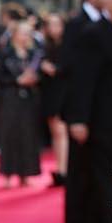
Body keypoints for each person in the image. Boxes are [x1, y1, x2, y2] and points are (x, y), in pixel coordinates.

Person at [60, 0, 112, 223]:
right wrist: (78, 119)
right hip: (97, 122)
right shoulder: (93, 34)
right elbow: (82, 81)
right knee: (99, 183)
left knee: (100, 183)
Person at [0, 20, 44, 186]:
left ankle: (26, 174)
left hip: (30, 98)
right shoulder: (5, 53)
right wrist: (16, 80)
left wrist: (34, 79)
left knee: (28, 135)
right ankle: (7, 173)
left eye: (28, 33)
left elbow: (41, 76)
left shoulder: (34, 54)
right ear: (14, 34)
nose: (25, 37)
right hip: (10, 97)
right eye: (22, 33)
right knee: (9, 134)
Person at [38, 11, 70, 187]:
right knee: (55, 132)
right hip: (50, 92)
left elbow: (69, 68)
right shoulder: (45, 45)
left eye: (56, 24)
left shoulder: (68, 46)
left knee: (60, 132)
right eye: (50, 24)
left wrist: (54, 69)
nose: (53, 28)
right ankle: (60, 169)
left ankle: (63, 171)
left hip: (63, 93)